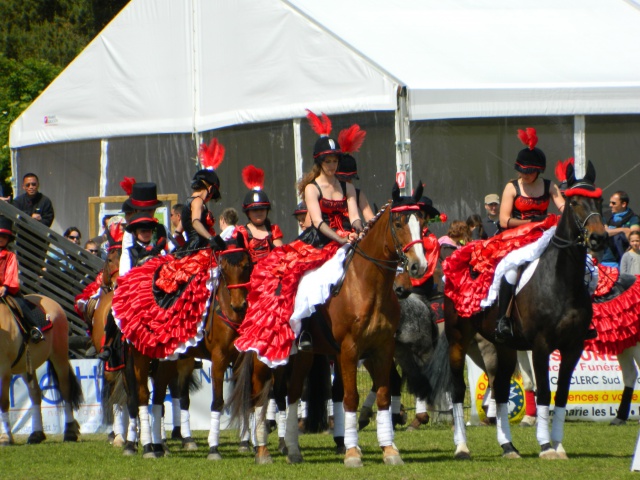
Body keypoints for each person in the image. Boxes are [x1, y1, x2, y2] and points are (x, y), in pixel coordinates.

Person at [235, 110, 361, 364]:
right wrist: (340, 239)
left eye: (335, 160)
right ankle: (303, 331)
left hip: (346, 239)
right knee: (304, 280)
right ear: (319, 163)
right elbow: (318, 222)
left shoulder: (347, 187)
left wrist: (358, 230)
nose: (332, 165)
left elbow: (355, 215)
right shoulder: (312, 188)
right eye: (328, 161)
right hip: (320, 242)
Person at [494, 127, 565, 341]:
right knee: (512, 270)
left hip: (544, 234)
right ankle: (502, 319)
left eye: (529, 171)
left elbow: (562, 205)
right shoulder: (512, 187)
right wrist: (528, 222)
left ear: (538, 171)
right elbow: (504, 220)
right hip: (517, 235)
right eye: (522, 171)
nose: (525, 175)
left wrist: (574, 209)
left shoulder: (550, 186)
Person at [98, 212, 164, 362]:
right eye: (142, 231)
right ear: (135, 233)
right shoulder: (129, 252)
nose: (146, 234)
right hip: (136, 292)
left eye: (148, 231)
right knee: (114, 310)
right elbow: (125, 273)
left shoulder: (159, 249)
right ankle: (109, 344)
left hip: (157, 291)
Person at [0, 216, 45, 342]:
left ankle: (34, 328)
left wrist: (5, 286)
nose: (1, 239)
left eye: (4, 237)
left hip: (7, 290)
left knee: (21, 305)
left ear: (8, 239)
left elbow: (11, 272)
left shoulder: (10, 255)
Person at [235, 166, 284, 263]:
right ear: (248, 212)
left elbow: (280, 254)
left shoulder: (273, 230)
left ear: (267, 211)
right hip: (251, 276)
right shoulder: (242, 232)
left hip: (273, 273)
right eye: (254, 210)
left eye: (262, 209)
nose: (259, 213)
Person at [335, 124, 375, 222]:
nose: (347, 182)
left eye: (349, 178)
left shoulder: (358, 194)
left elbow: (370, 218)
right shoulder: (326, 192)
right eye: (343, 178)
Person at [601, 191, 640, 268]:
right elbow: (603, 232)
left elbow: (634, 236)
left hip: (625, 261)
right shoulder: (606, 216)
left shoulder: (633, 218)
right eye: (610, 202)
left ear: (623, 204)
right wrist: (623, 230)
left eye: (613, 203)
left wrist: (612, 231)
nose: (610, 205)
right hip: (606, 260)